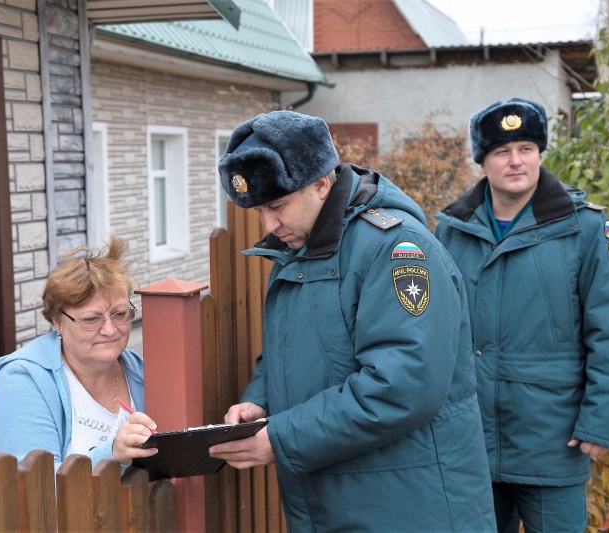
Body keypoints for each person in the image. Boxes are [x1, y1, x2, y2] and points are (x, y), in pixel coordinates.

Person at [208, 110, 496, 531]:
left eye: (277, 206)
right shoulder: (299, 251)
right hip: (341, 503)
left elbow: (402, 385)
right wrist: (261, 402)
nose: (269, 225)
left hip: (409, 508)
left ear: (322, 182)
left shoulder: (397, 249)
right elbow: (289, 353)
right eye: (259, 211)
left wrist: (282, 437)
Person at [434, 98, 609, 532]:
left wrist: (602, 421)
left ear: (539, 153)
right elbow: (433, 331)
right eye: (501, 152)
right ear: (483, 161)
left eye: (526, 148)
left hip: (551, 437)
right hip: (469, 442)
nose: (516, 161)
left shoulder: (584, 228)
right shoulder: (451, 230)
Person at [0, 234, 158, 471]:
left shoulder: (139, 370)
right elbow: (32, 488)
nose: (109, 329)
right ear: (58, 321)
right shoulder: (22, 381)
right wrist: (113, 453)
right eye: (91, 319)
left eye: (120, 314)